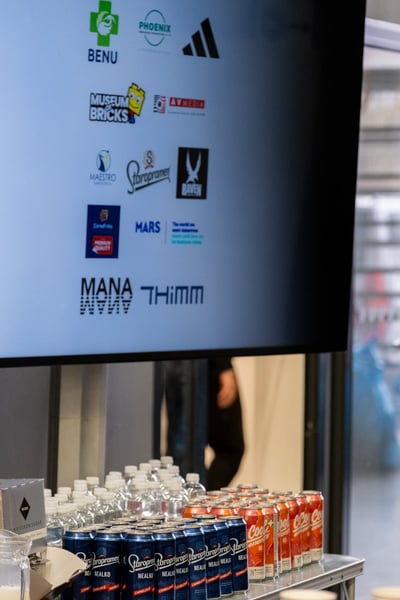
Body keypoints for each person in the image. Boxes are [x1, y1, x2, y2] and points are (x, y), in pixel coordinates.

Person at [158, 358, 245, 490]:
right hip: (204, 363)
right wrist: (223, 364)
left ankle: (190, 496)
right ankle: (199, 497)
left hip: (175, 362)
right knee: (226, 448)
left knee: (181, 451)